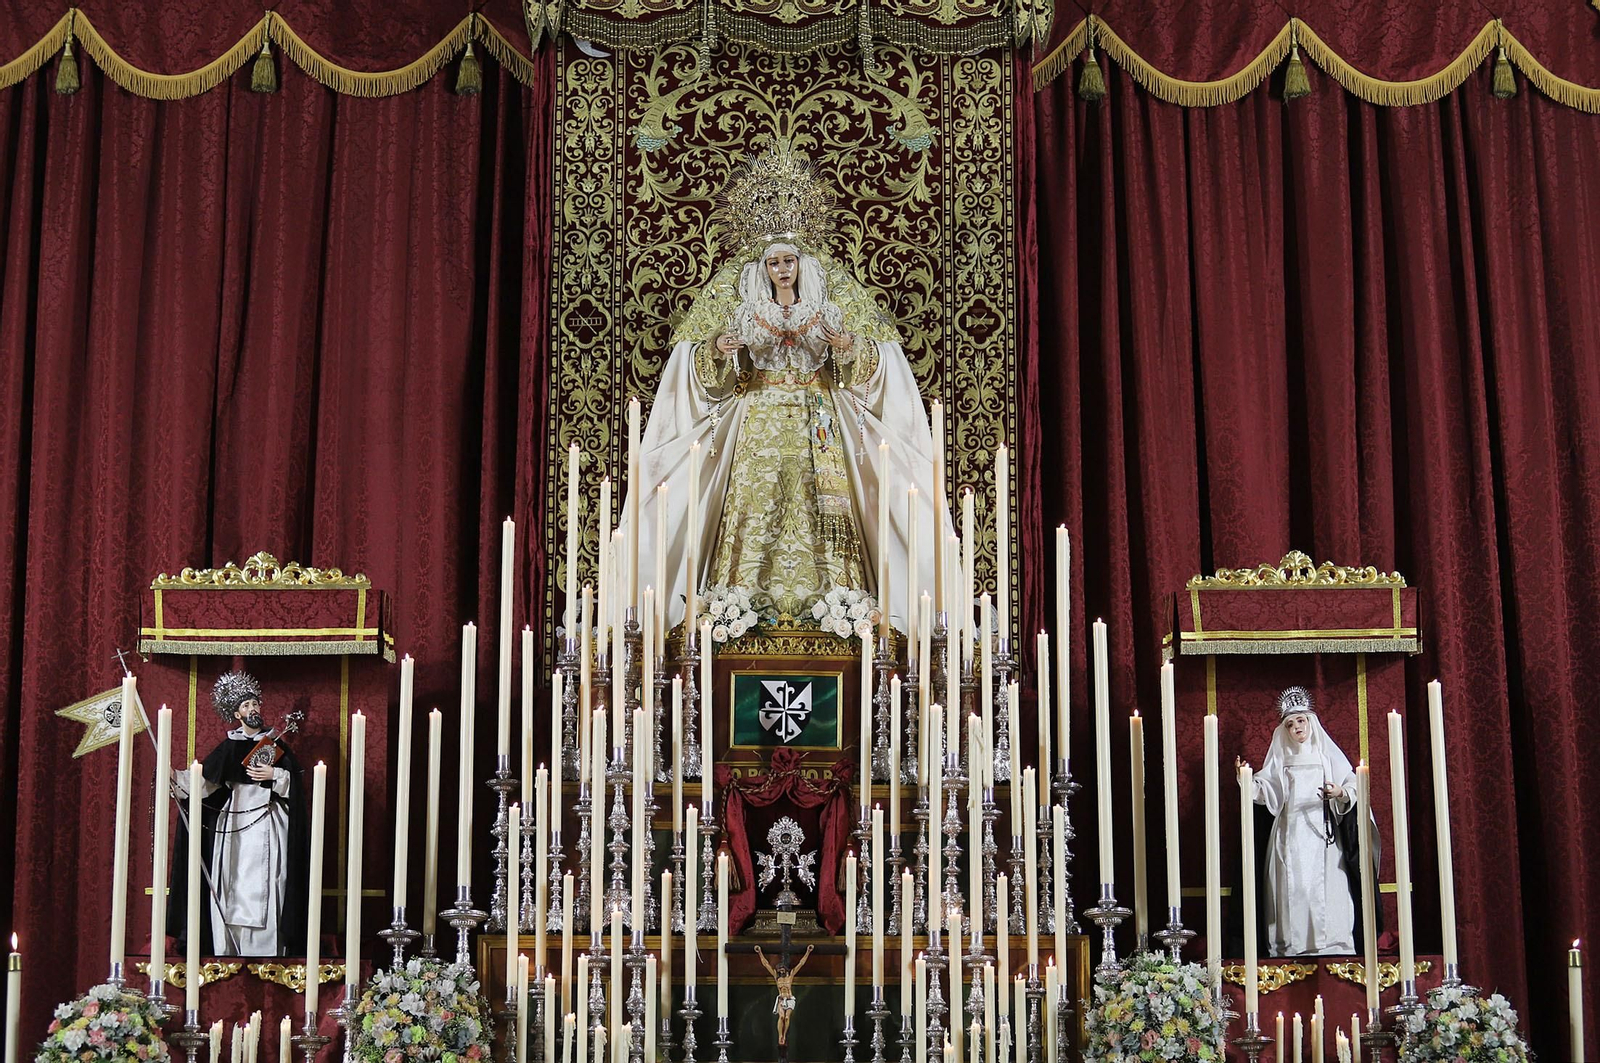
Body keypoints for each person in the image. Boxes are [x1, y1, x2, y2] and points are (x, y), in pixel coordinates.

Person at [621, 140, 959, 630]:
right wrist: (720, 348)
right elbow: (697, 368)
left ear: (802, 263)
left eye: (789, 261)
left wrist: (846, 347)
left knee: (825, 504)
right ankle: (736, 605)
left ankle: (839, 606)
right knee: (755, 504)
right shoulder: (739, 302)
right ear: (764, 266)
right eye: (774, 262)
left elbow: (871, 367)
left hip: (816, 421)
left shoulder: (828, 303)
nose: (782, 269)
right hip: (757, 418)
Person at [168, 671, 309, 957]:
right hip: (235, 824)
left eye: (255, 703)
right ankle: (228, 947)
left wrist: (275, 775)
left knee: (270, 882)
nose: (253, 709)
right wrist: (176, 779)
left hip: (268, 823)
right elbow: (206, 784)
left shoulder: (276, 745)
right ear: (236, 713)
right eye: (246, 706)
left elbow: (297, 787)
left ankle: (268, 948)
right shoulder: (229, 747)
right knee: (231, 883)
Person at [1239, 686, 1373, 957]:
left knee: (1330, 888)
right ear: (1285, 731)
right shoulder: (1281, 759)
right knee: (1293, 888)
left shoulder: (1326, 754)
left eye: (1301, 720)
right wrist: (1246, 780)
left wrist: (1339, 792)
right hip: (1290, 834)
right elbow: (1267, 791)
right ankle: (1290, 945)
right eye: (1290, 724)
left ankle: (1334, 944)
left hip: (1322, 835)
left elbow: (1352, 783)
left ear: (1310, 722)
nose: (1297, 727)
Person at [754, 943, 814, 1051]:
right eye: (779, 969)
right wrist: (759, 953)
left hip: (790, 999)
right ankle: (780, 1037)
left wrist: (808, 952)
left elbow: (801, 964)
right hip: (781, 999)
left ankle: (784, 1035)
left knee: (787, 1018)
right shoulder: (777, 978)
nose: (781, 971)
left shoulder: (790, 976)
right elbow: (766, 964)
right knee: (781, 1017)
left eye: (782, 969)